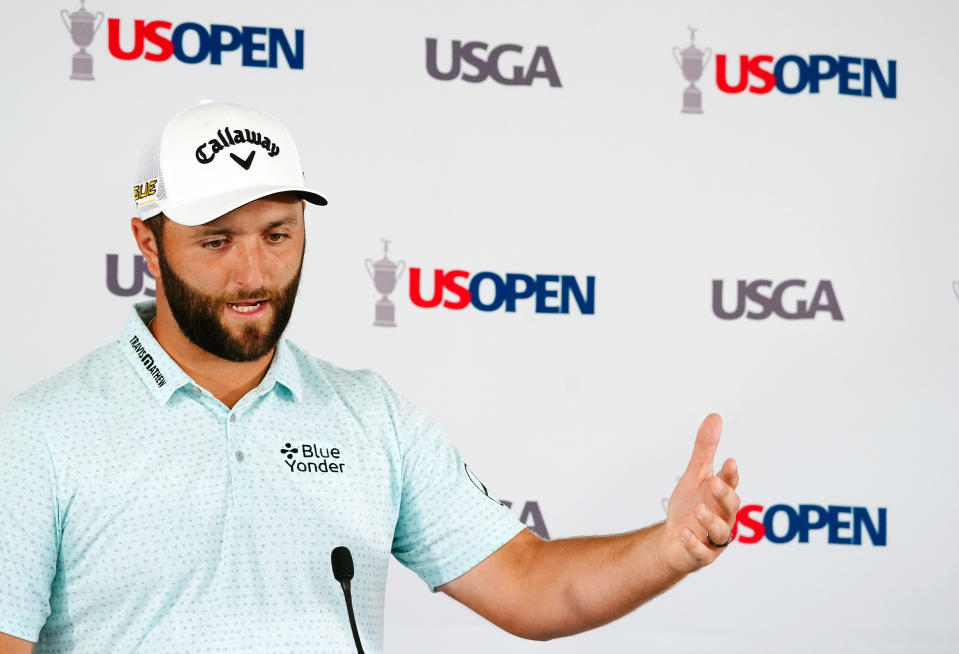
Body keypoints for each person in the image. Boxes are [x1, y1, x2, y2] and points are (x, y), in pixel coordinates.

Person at [0, 101, 741, 654]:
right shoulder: (40, 434)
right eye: (216, 241)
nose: (253, 273)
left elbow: (528, 583)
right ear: (148, 243)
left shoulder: (367, 415)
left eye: (278, 235)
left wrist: (668, 547)